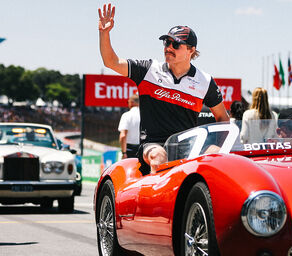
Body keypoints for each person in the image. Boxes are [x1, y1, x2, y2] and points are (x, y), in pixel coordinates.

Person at [98, 4, 229, 174]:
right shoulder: (149, 70)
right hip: (153, 145)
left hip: (188, 145)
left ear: (191, 50)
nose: (168, 47)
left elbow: (222, 118)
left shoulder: (205, 81)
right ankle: (157, 200)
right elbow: (111, 62)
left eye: (176, 44)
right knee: (160, 157)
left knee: (217, 155)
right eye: (167, 42)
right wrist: (104, 34)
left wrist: (216, 145)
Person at [118, 93, 140, 159]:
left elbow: (123, 135)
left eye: (128, 102)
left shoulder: (126, 115)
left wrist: (124, 153)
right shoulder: (145, 116)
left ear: (132, 102)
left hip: (129, 150)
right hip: (143, 148)